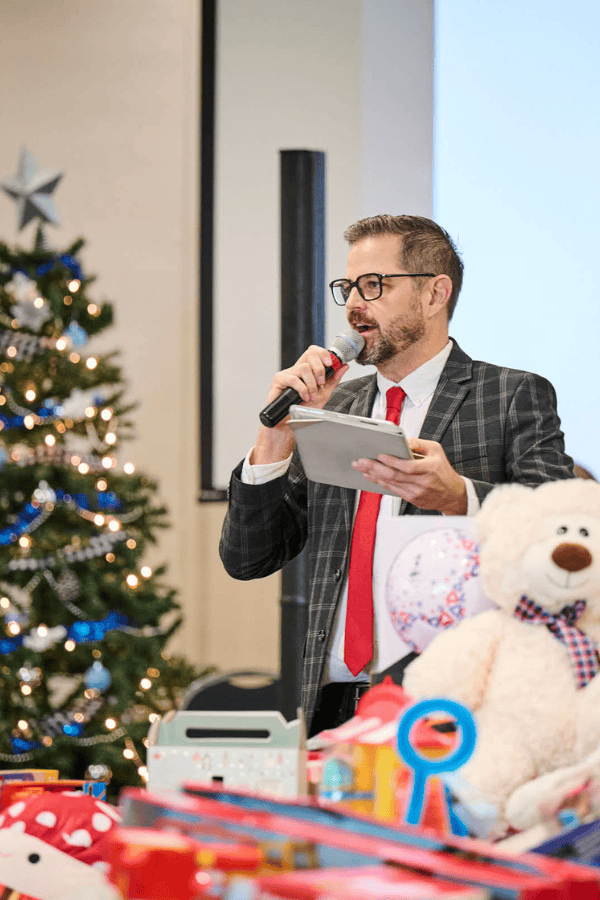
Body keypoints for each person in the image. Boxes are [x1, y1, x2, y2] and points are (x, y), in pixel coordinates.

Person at [219, 214, 575, 737]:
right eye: (348, 287)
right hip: (333, 707)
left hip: (453, 709)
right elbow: (248, 557)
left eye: (373, 285)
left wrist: (461, 497)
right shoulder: (335, 406)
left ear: (435, 294)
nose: (353, 305)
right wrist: (276, 436)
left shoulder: (510, 396)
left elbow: (563, 529)